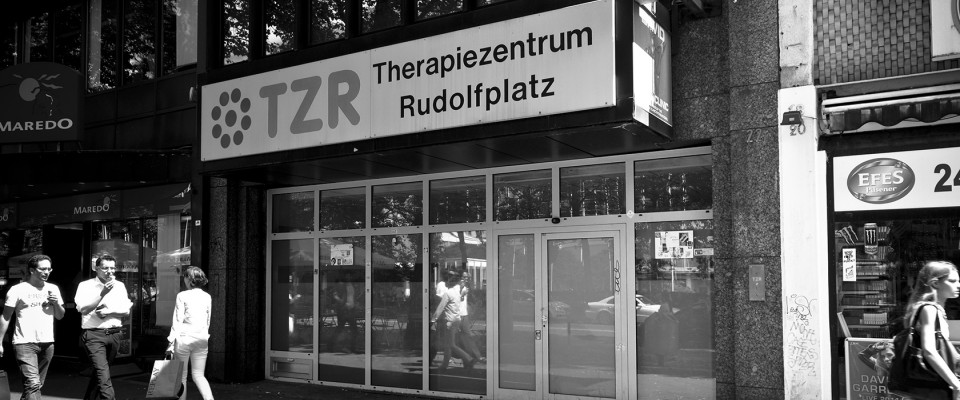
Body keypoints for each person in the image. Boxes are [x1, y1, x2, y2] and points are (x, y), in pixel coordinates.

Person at [0, 254, 65, 400]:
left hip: (47, 343)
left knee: (35, 385)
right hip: (24, 343)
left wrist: (56, 303)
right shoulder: (17, 290)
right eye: (42, 269)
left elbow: (60, 316)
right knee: (33, 383)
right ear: (32, 270)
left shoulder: (53, 288)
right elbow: (5, 316)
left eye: (49, 269)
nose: (46, 272)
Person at [76, 254, 133, 400]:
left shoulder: (119, 285)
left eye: (112, 268)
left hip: (115, 333)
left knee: (101, 373)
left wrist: (109, 312)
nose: (110, 271)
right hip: (94, 334)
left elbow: (126, 311)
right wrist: (102, 294)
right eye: (105, 268)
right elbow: (83, 309)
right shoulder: (85, 285)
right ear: (96, 268)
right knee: (103, 372)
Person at [902, 260, 960, 400]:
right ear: (935, 284)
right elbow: (929, 351)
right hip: (933, 387)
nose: (958, 285)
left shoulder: (927, 308)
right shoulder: (929, 309)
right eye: (952, 281)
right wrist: (956, 384)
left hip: (929, 386)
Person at [165, 266, 214, 400]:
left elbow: (177, 320)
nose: (184, 280)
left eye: (185, 277)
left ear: (189, 279)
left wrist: (171, 341)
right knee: (199, 375)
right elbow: (207, 320)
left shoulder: (182, 296)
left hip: (184, 339)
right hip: (201, 339)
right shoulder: (207, 296)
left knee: (181, 377)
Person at [430, 271, 475, 371]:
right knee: (448, 344)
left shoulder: (448, 293)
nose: (447, 282)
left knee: (451, 344)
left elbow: (440, 308)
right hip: (456, 320)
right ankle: (444, 365)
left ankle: (468, 358)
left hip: (449, 322)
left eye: (449, 280)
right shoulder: (457, 292)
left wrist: (433, 320)